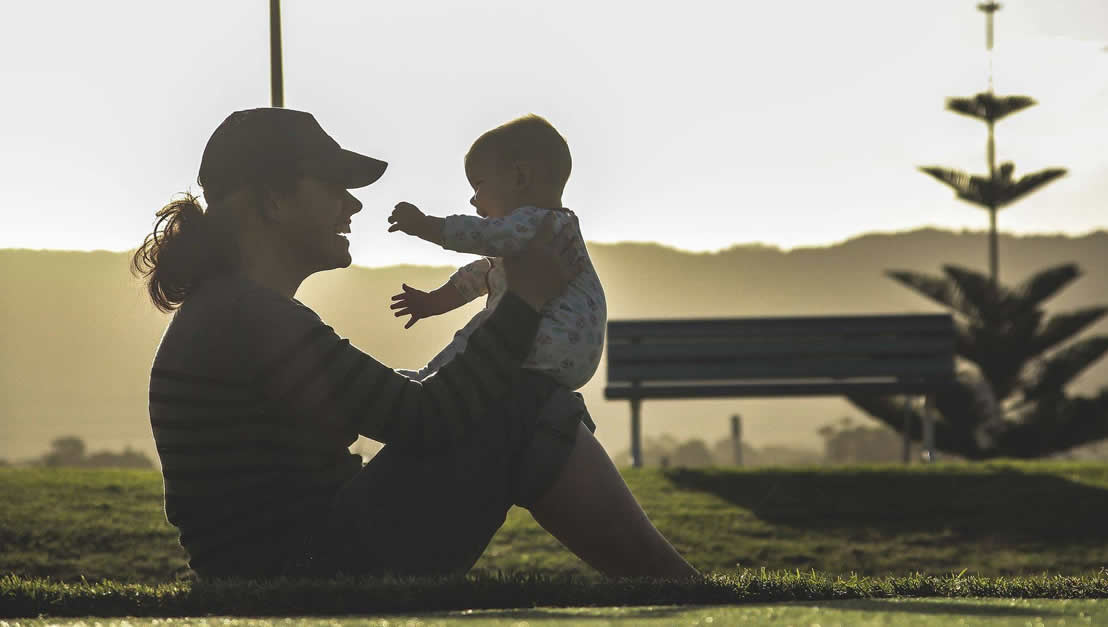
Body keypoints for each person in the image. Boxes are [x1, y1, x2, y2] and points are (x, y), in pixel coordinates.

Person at [132, 107, 697, 581]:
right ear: (271, 201)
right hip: (307, 572)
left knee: (526, 400)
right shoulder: (246, 317)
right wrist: (524, 301)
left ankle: (678, 588)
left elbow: (400, 407)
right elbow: (426, 419)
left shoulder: (232, 312)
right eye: (333, 187)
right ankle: (683, 592)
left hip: (293, 563)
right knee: (530, 403)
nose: (351, 206)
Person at [386, 115, 606, 399]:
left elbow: (482, 235)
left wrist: (425, 225)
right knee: (487, 330)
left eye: (478, 185)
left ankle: (429, 382)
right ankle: (430, 379)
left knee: (481, 333)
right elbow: (482, 275)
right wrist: (433, 302)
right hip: (570, 356)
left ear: (520, 178)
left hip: (549, 339)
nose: (473, 199)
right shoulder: (549, 232)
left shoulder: (539, 223)